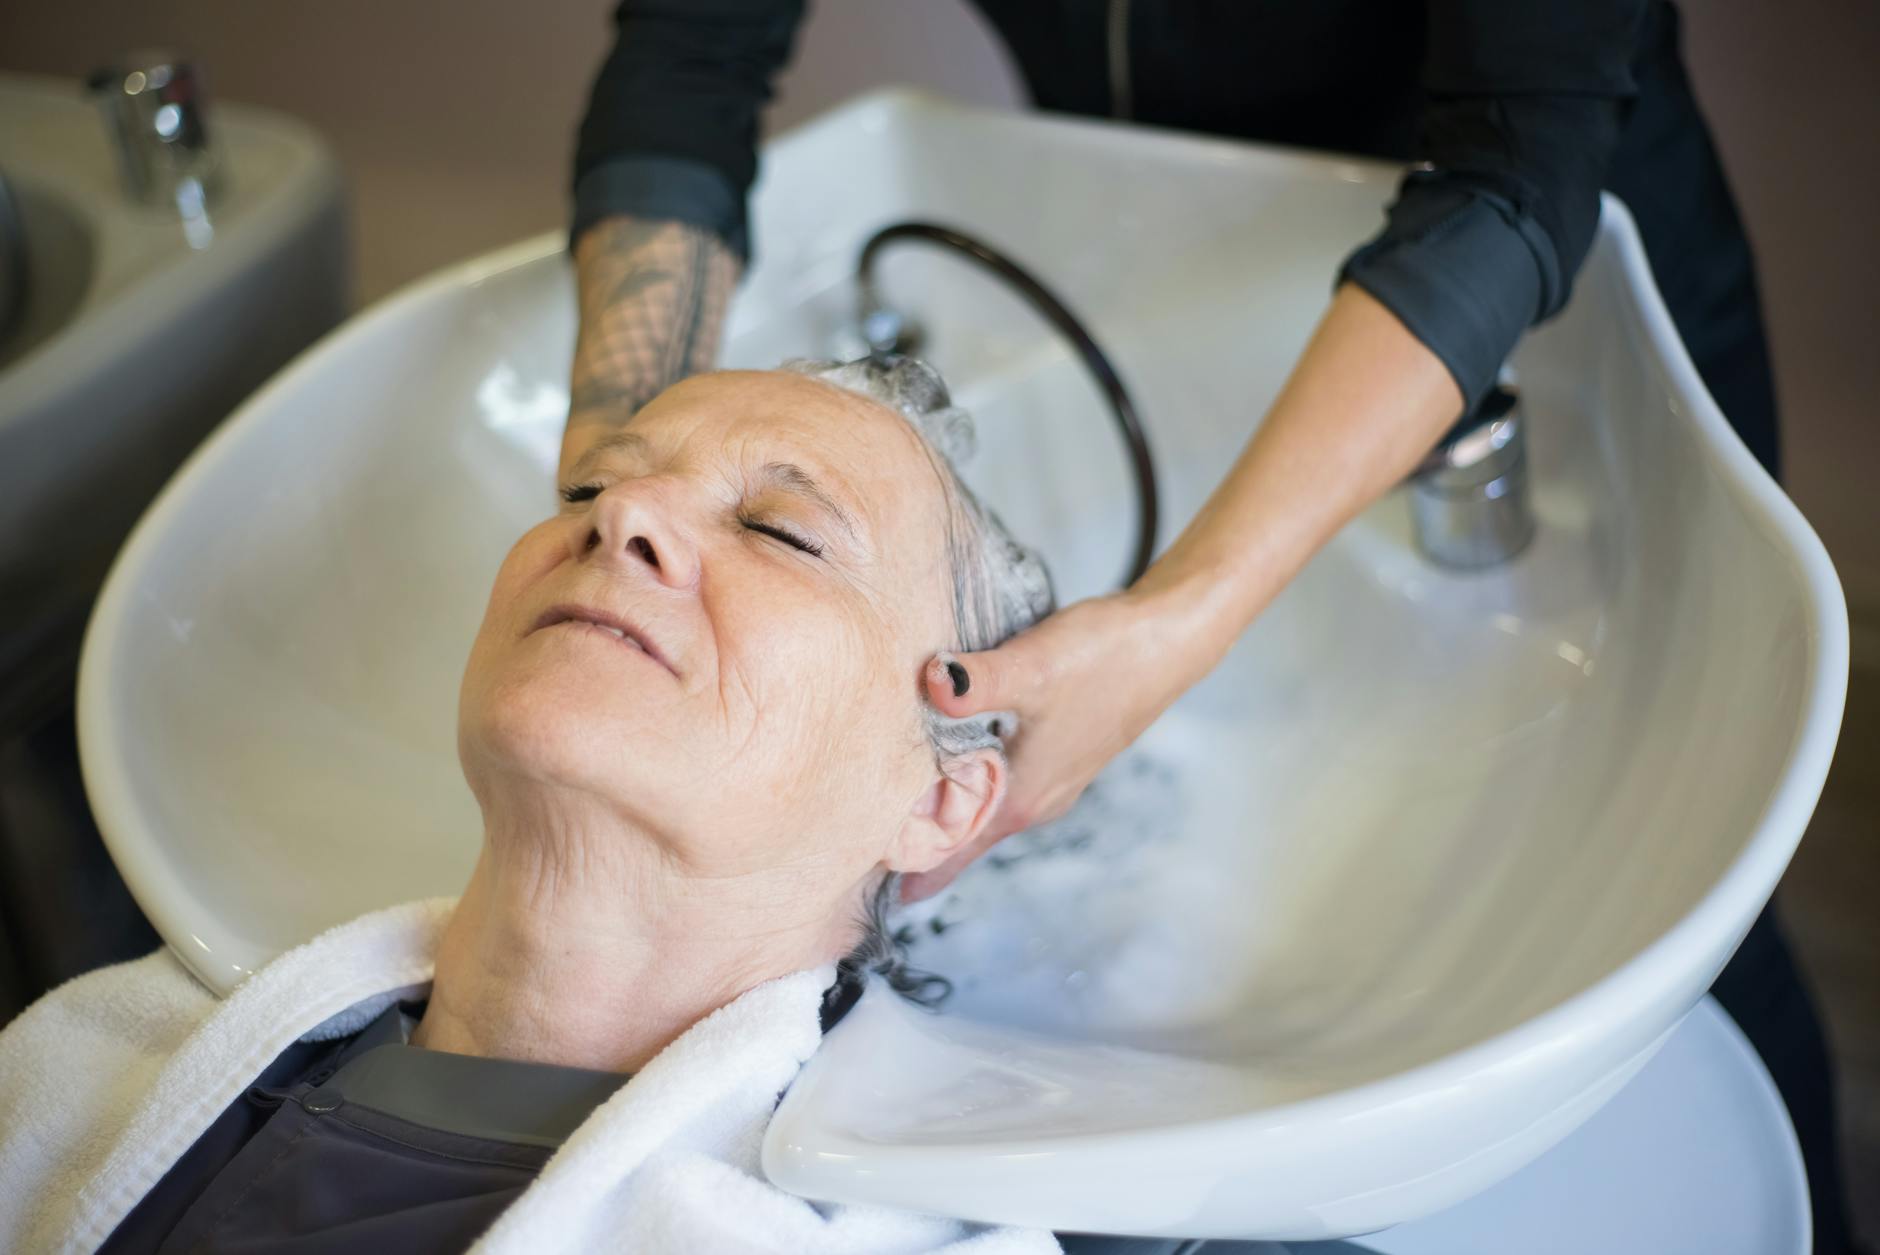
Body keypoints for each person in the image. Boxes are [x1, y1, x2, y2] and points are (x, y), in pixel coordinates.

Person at [563, 3, 1857, 1250]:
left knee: (1659, 883)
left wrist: (1177, 622)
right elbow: (692, 56)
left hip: (1547, 338)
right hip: (1162, 272)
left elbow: (1516, 165)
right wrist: (620, 484)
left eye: (783, 534)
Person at [0, 359, 1062, 1254]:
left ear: (938, 799)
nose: (619, 514)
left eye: (780, 531)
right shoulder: (80, 1076)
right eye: (588, 486)